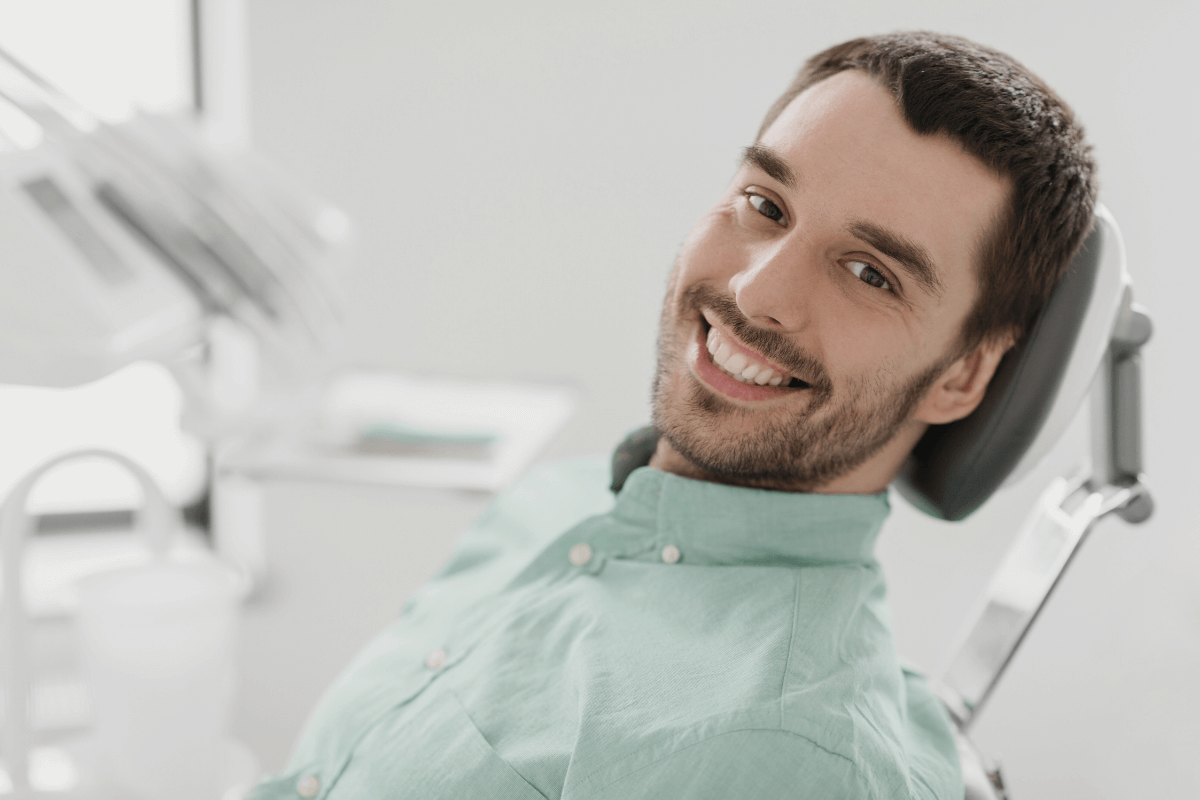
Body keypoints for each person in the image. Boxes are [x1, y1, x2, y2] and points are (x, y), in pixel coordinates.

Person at [248, 31, 1095, 800]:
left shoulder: (794, 755)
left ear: (963, 375)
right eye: (766, 205)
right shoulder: (556, 504)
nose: (755, 290)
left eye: (870, 274)